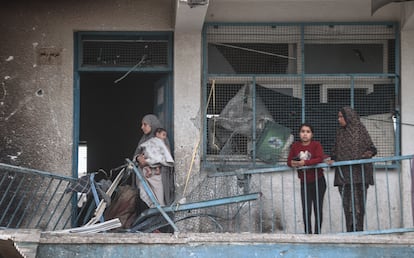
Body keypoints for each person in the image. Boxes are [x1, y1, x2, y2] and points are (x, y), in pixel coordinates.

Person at [327, 106, 377, 232]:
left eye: (341, 117)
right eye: (338, 116)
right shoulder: (340, 133)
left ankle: (359, 231)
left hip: (360, 175)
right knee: (347, 207)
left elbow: (371, 148)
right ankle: (350, 232)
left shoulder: (360, 130)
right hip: (344, 177)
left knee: (359, 207)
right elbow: (335, 152)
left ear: (348, 117)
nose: (339, 119)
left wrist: (367, 154)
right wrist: (332, 159)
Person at [287, 123, 327, 234]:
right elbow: (289, 161)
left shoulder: (316, 145)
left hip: (318, 181)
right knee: (306, 209)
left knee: (317, 208)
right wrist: (294, 163)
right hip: (304, 182)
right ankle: (308, 234)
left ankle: (317, 234)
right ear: (299, 134)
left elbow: (319, 159)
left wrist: (305, 162)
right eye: (302, 131)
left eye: (308, 132)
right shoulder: (295, 146)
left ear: (312, 134)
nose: (305, 134)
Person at [133, 115, 175, 209]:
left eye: (145, 124)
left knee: (160, 201)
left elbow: (165, 157)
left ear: (152, 125)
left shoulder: (162, 140)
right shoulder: (143, 140)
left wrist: (149, 162)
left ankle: (161, 221)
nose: (142, 127)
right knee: (145, 196)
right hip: (144, 175)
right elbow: (136, 155)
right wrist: (138, 158)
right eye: (142, 124)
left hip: (157, 176)